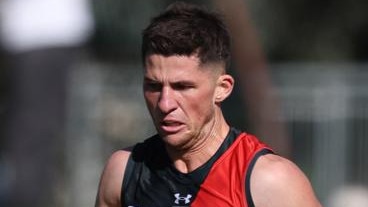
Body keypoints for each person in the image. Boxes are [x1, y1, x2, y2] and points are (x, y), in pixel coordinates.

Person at [95, 2, 322, 207]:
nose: (165, 104)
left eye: (182, 87)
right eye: (153, 86)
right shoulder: (123, 173)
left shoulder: (269, 182)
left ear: (222, 88)